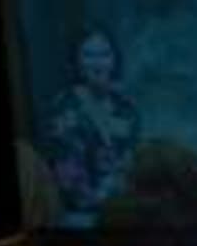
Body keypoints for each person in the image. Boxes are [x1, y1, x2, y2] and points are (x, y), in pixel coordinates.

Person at [39, 24, 140, 218]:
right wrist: (105, 198)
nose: (98, 63)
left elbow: (134, 161)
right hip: (81, 214)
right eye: (88, 55)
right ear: (77, 61)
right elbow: (68, 178)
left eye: (104, 54)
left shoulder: (126, 108)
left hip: (126, 210)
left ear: (114, 59)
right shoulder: (64, 107)